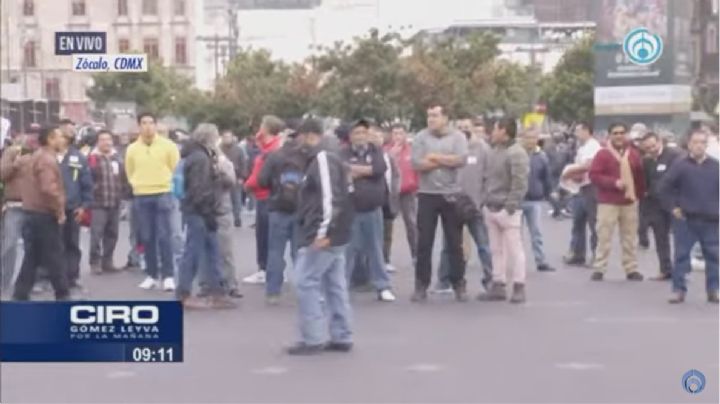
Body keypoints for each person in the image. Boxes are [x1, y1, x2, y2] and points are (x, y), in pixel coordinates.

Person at [287, 118, 354, 355]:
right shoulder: (331, 156)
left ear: (308, 135)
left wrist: (324, 231)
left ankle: (313, 337)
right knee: (334, 284)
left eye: (299, 136)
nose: (296, 141)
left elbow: (330, 198)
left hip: (324, 233)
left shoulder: (323, 158)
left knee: (306, 281)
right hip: (336, 232)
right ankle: (341, 334)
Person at [410, 104, 469, 302]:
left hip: (451, 195)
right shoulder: (420, 137)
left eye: (435, 116)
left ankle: (459, 283)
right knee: (424, 242)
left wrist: (434, 157)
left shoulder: (458, 137)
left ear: (445, 118)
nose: (431, 119)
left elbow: (461, 160)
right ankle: (421, 285)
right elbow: (417, 164)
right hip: (427, 195)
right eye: (429, 116)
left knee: (454, 242)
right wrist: (446, 160)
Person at [176, 123, 236, 309]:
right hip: (201, 211)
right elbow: (199, 189)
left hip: (200, 210)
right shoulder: (200, 158)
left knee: (212, 251)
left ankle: (216, 291)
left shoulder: (194, 155)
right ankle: (183, 294)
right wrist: (207, 210)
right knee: (193, 253)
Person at [339, 119, 396, 302]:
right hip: (351, 210)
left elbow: (379, 169)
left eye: (363, 132)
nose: (361, 136)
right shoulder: (342, 153)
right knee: (348, 250)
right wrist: (367, 171)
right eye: (356, 133)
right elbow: (341, 171)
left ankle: (382, 286)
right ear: (350, 136)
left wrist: (355, 171)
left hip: (372, 209)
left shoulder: (376, 151)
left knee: (375, 249)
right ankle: (341, 287)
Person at [12, 126, 70, 301]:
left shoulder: (36, 156)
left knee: (33, 256)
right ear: (51, 139)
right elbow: (49, 189)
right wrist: (59, 210)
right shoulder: (46, 160)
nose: (64, 140)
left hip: (33, 213)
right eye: (60, 136)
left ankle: (20, 294)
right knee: (54, 255)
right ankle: (62, 294)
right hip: (44, 214)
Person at [436, 117, 493, 292]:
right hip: (452, 204)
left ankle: (491, 280)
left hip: (475, 206)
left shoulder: (482, 148)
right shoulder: (448, 147)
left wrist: (482, 200)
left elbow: (488, 177)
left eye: (466, 127)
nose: (463, 130)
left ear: (473, 128)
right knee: (449, 246)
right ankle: (444, 281)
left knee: (483, 244)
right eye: (459, 127)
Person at [662, 130, 719, 304]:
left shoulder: (715, 166)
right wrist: (673, 208)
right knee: (681, 256)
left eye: (702, 142)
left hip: (711, 219)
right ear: (689, 144)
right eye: (695, 142)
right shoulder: (680, 165)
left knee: (714, 256)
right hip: (686, 219)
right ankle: (679, 290)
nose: (699, 145)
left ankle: (713, 290)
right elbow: (664, 188)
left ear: (706, 145)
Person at [125, 112, 180, 291]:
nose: (147, 126)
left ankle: (168, 275)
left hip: (163, 192)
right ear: (138, 126)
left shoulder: (168, 146)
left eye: (150, 123)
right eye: (144, 123)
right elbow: (130, 171)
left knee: (165, 236)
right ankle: (151, 274)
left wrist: (167, 184)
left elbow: (176, 169)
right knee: (147, 237)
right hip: (142, 194)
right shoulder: (132, 148)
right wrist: (137, 184)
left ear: (156, 125)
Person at [477, 118, 530, 303]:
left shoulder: (516, 153)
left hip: (508, 209)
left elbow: (520, 183)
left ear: (504, 131)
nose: (492, 132)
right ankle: (498, 284)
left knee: (515, 250)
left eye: (495, 129)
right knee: (496, 249)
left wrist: (509, 207)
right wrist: (485, 202)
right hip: (491, 205)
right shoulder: (494, 151)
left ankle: (519, 285)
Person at [589, 122, 646, 281]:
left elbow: (639, 176)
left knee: (630, 238)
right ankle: (599, 267)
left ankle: (631, 268)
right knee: (604, 237)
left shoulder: (633, 154)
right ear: (610, 135)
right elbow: (594, 176)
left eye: (622, 132)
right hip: (608, 202)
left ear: (626, 134)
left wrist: (640, 196)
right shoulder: (603, 154)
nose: (619, 136)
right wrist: (613, 183)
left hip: (629, 202)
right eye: (615, 133)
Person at [258, 130, 307, 304]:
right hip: (300, 209)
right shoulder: (305, 157)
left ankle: (273, 291)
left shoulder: (274, 156)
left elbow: (261, 180)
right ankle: (303, 289)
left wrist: (274, 185)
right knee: (299, 252)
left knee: (275, 251)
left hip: (277, 207)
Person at [243, 116, 285, 285]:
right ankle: (270, 268)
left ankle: (265, 269)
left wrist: (248, 185)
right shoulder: (268, 146)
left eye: (262, 126)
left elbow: (260, 173)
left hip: (265, 195)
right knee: (267, 234)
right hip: (264, 194)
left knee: (265, 234)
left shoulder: (271, 150)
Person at [640, 132, 682, 281]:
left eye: (653, 145)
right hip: (656, 204)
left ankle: (681, 270)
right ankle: (665, 270)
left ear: (659, 141)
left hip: (675, 203)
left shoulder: (675, 155)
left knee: (680, 238)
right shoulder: (646, 161)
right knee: (660, 238)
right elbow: (646, 182)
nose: (651, 149)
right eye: (647, 148)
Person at [56, 121, 93, 290]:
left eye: (70, 132)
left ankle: (73, 277)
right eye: (63, 132)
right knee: (52, 244)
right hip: (51, 209)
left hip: (73, 208)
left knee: (72, 244)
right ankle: (53, 278)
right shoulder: (46, 155)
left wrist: (84, 206)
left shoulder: (78, 157)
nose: (67, 135)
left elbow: (86, 184)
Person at [562, 122, 601, 266]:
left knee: (593, 223)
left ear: (586, 131)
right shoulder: (582, 147)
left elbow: (588, 165)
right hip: (580, 188)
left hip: (591, 187)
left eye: (578, 131)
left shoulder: (593, 146)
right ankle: (578, 253)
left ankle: (597, 255)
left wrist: (569, 172)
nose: (576, 134)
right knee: (578, 222)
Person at [87, 130, 124, 274]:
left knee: (112, 234)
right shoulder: (92, 158)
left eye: (108, 139)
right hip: (98, 202)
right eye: (102, 139)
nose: (106, 142)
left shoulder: (117, 157)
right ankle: (94, 262)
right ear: (98, 142)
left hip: (114, 201)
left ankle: (107, 261)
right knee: (96, 234)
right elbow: (87, 179)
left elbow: (123, 177)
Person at [0, 136, 32, 295]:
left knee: (34, 247)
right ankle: (4, 283)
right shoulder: (12, 152)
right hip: (14, 206)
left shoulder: (41, 154)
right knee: (9, 245)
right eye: (30, 133)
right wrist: (16, 164)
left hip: (35, 207)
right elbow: (2, 174)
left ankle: (28, 283)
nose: (32, 138)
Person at [521, 127, 556, 272]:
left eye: (533, 138)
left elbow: (546, 177)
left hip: (534, 199)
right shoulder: (516, 154)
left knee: (536, 233)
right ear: (522, 138)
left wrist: (549, 194)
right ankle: (517, 262)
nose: (530, 140)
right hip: (517, 199)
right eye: (528, 137)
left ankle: (541, 261)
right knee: (515, 235)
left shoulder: (541, 156)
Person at [388, 124, 419, 264]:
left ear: (405, 135)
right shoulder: (386, 150)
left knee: (412, 223)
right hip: (391, 192)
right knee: (387, 225)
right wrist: (391, 156)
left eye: (400, 133)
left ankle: (416, 254)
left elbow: (417, 170)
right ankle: (385, 258)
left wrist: (417, 187)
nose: (398, 136)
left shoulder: (412, 150)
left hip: (408, 192)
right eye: (395, 133)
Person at [374, 126, 400, 274]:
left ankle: (386, 259)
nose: (377, 139)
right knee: (374, 232)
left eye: (379, 136)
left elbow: (396, 174)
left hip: (388, 197)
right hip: (374, 198)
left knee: (387, 231)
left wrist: (395, 190)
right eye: (374, 136)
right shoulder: (369, 156)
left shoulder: (388, 155)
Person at [220, 130, 247, 227]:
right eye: (225, 137)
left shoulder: (238, 150)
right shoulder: (219, 149)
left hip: (236, 177)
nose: (227, 139)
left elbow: (243, 163)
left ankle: (237, 217)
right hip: (222, 178)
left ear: (232, 138)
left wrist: (242, 177)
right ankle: (224, 217)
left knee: (237, 199)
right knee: (223, 199)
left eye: (229, 137)